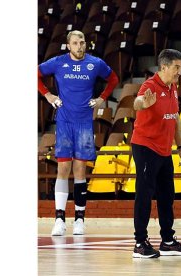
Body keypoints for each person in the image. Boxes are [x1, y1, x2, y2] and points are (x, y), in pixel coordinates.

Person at [38, 30, 119, 236]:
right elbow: (35, 74)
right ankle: (59, 219)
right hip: (64, 122)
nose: (80, 46)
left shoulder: (95, 63)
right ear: (68, 45)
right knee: (63, 168)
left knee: (80, 170)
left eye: (82, 42)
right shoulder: (57, 62)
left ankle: (80, 220)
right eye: (75, 43)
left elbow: (114, 80)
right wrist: (47, 95)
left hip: (84, 123)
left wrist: (101, 98)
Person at [131, 49, 181, 258]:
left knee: (167, 196)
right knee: (145, 194)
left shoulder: (173, 87)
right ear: (164, 67)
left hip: (164, 150)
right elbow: (137, 102)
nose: (180, 72)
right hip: (145, 147)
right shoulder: (149, 85)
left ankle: (167, 241)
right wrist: (144, 104)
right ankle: (140, 243)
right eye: (177, 67)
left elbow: (175, 118)